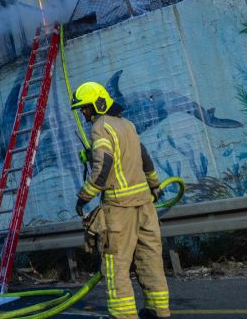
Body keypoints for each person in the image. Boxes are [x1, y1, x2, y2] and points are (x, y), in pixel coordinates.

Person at [71, 82, 170, 319]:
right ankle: (159, 312)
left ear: (98, 103)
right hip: (145, 207)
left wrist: (83, 198)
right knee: (150, 262)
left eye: (84, 107)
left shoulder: (100, 128)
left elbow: (103, 167)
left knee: (116, 268)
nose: (83, 113)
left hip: (119, 211)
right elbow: (144, 156)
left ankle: (124, 315)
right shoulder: (127, 125)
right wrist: (154, 185)